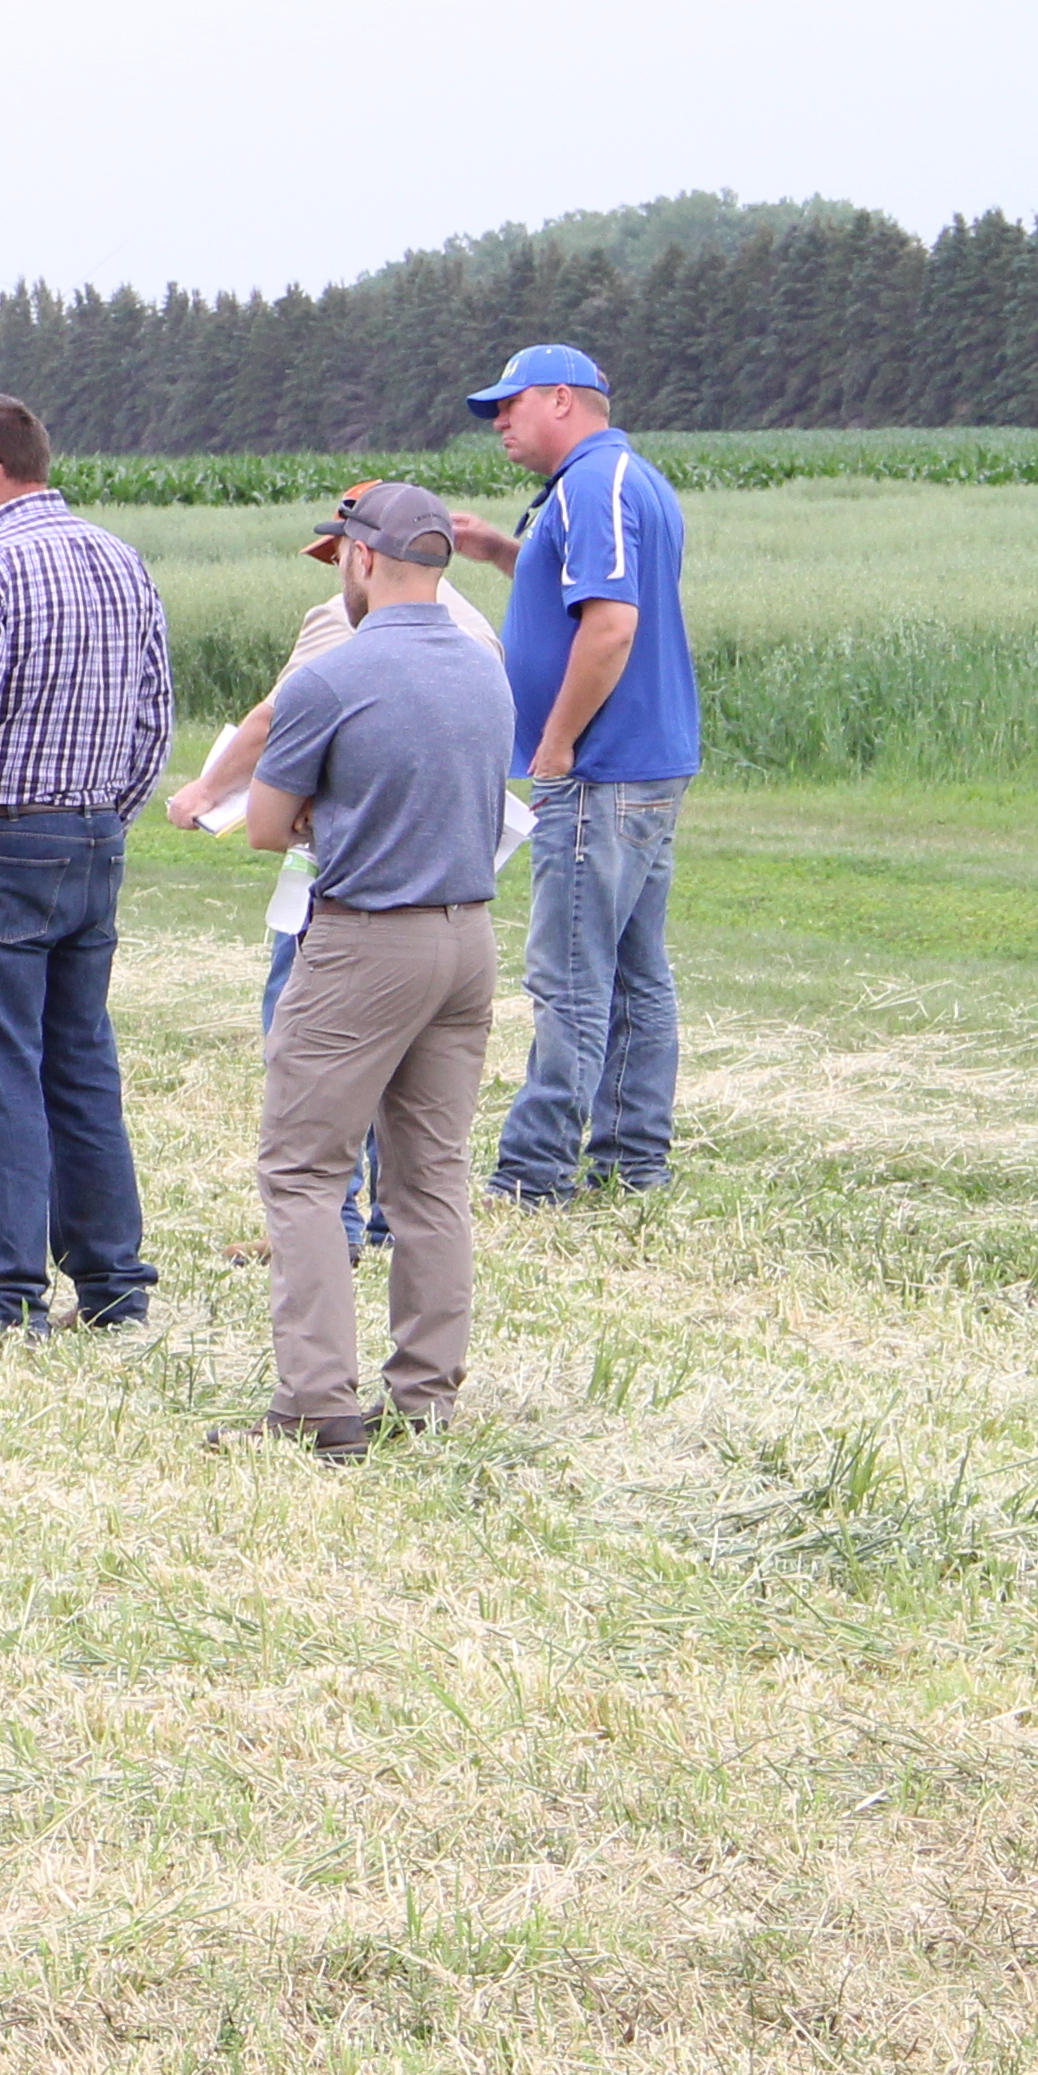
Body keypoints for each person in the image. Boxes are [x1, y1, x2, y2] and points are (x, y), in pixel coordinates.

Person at [218, 484, 513, 1458]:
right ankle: (424, 1398)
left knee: (303, 1171)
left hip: (363, 940)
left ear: (358, 558)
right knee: (430, 1180)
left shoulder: (328, 678)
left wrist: (322, 814)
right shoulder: (486, 669)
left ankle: (313, 1404)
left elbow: (265, 825)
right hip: (468, 938)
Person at [0, 396, 176, 1346]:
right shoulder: (120, 560)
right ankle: (114, 1287)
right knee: (81, 1064)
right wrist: (103, 818)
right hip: (93, 840)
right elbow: (153, 722)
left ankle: (5, 1298)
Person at [169, 485, 518, 1259]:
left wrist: (205, 791)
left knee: (307, 1073)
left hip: (357, 902)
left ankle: (337, 1226)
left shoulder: (344, 622)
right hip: (459, 907)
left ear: (359, 554)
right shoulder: (477, 633)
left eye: (337, 552)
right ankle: (401, 1233)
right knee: (431, 1141)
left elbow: (274, 722)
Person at [447, 345, 703, 1203]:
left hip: (601, 770)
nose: (500, 426)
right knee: (633, 972)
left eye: (509, 408)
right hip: (641, 765)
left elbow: (610, 626)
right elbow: (573, 588)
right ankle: (631, 1164)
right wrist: (494, 549)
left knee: (568, 976)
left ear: (564, 399)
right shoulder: (611, 480)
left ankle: (533, 1173)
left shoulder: (599, 484)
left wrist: (555, 746)